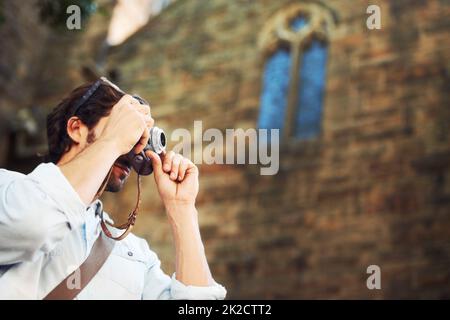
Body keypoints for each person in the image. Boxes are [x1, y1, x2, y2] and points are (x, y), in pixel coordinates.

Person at [0, 78, 226, 299]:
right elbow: (30, 225)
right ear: (76, 128)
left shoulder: (134, 253)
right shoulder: (8, 187)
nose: (132, 147)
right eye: (125, 128)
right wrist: (113, 141)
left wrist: (182, 208)